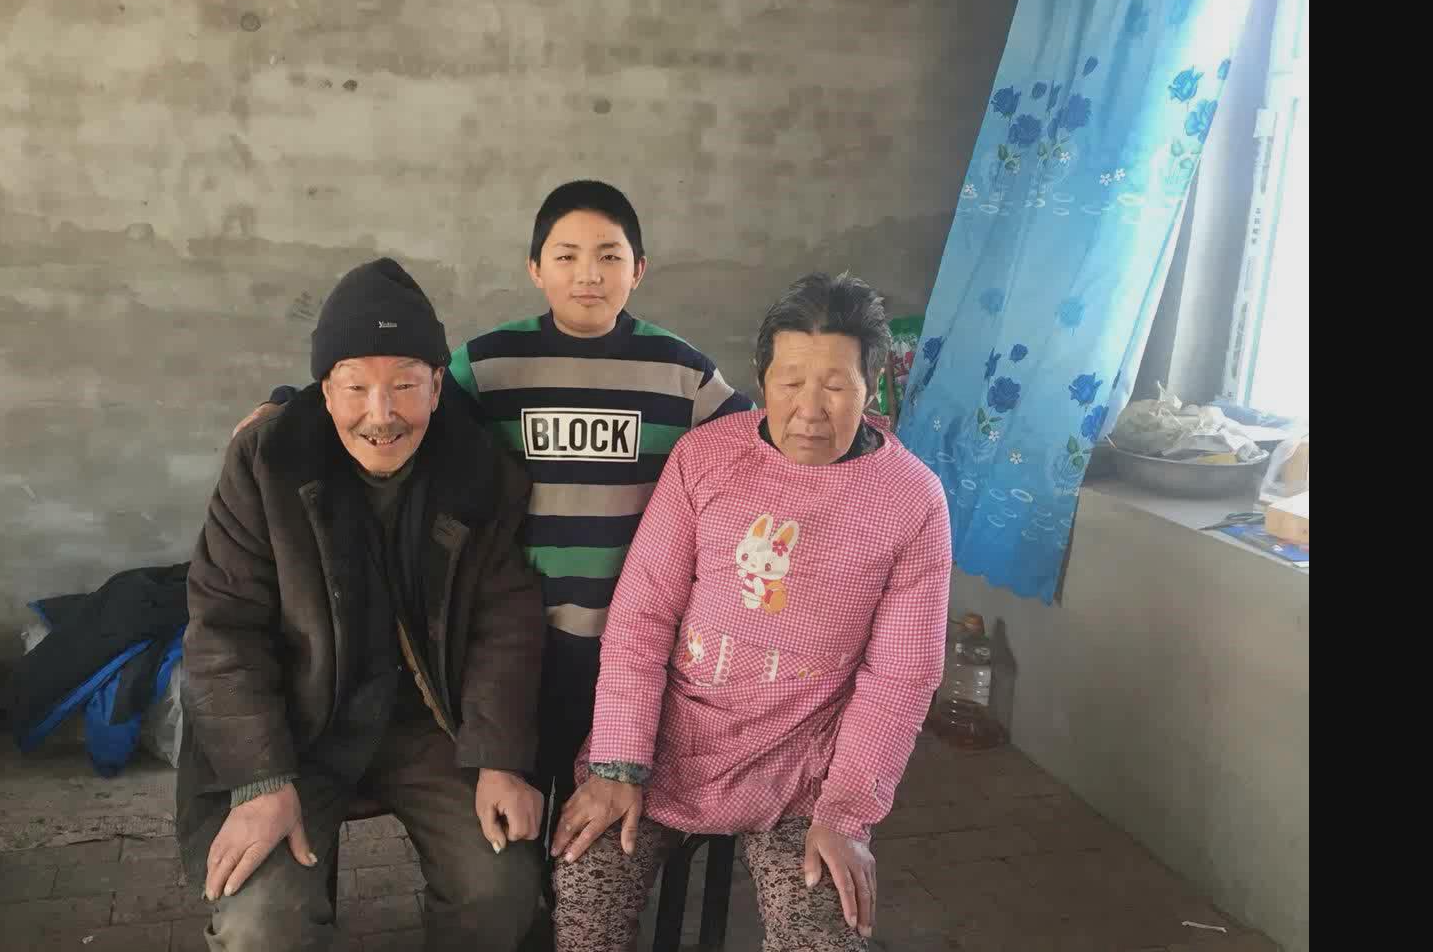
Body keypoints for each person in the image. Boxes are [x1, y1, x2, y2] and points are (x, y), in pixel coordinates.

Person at [233, 182, 753, 847]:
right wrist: (286, 403)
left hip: (628, 638)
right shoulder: (489, 364)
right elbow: (392, 396)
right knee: (523, 804)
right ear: (535, 268)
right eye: (565, 256)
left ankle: (582, 892)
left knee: (598, 804)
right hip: (520, 634)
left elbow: (751, 442)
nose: (588, 274)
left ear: (639, 269)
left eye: (609, 256)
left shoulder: (681, 371)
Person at [546, 272, 952, 952]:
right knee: (587, 892)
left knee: (825, 932)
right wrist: (618, 763)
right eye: (791, 382)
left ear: (872, 388)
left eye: (836, 385)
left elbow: (900, 677)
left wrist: (847, 814)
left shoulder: (912, 500)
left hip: (805, 770)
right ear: (761, 380)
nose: (810, 410)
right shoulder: (705, 457)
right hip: (669, 742)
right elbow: (643, 616)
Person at [178, 257, 548, 951]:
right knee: (262, 924)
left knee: (498, 887)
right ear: (324, 390)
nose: (381, 415)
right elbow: (223, 630)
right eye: (355, 387)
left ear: (438, 384)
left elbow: (507, 621)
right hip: (297, 726)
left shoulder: (480, 470)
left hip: (430, 724)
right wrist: (260, 780)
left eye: (405, 384)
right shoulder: (266, 462)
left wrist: (499, 758)